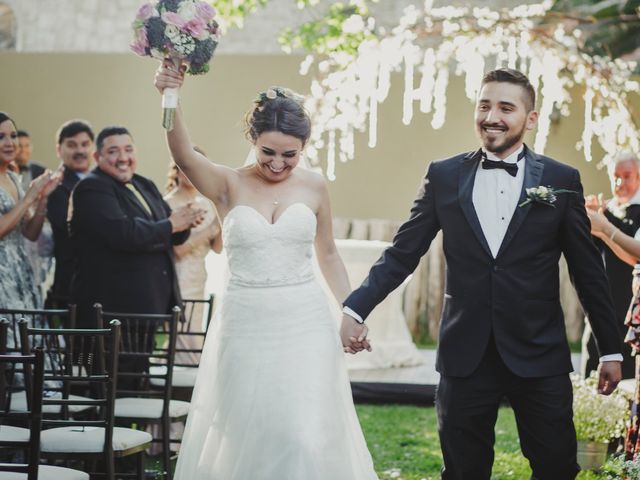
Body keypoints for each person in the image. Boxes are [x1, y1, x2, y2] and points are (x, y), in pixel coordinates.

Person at [340, 68, 622, 480]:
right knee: (463, 470)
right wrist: (356, 308)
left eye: (506, 107)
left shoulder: (562, 181)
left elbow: (586, 271)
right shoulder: (444, 176)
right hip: (464, 354)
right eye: (485, 105)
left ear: (530, 118)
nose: (492, 116)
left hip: (539, 352)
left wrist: (611, 349)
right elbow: (403, 253)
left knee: (557, 466)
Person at [154, 62, 377, 479]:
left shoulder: (314, 185)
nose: (277, 164)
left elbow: (327, 252)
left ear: (305, 146)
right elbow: (182, 153)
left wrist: (352, 312)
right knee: (249, 430)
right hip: (246, 324)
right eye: (268, 152)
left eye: (289, 155)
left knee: (303, 432)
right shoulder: (227, 184)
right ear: (252, 141)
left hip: (305, 320)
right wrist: (169, 95)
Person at [68, 125, 204, 329]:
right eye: (113, 152)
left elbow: (168, 228)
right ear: (97, 157)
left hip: (147, 307)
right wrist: (171, 225)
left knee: (142, 362)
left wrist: (185, 223)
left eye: (128, 150)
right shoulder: (92, 187)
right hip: (111, 310)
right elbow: (123, 233)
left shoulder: (144, 184)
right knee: (97, 361)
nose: (123, 158)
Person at [582, 151, 640, 380]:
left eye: (627, 176)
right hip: (601, 303)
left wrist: (604, 223)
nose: (620, 183)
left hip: (628, 307)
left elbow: (633, 253)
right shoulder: (608, 209)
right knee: (593, 366)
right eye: (616, 176)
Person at [0, 112, 61, 312]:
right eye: (1, 137)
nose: (10, 143)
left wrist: (42, 199)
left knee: (26, 338)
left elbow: (30, 233)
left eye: (13, 136)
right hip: (2, 278)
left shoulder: (12, 178)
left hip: (22, 273)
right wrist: (29, 197)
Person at [164, 154, 222, 364]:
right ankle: (180, 375)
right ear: (177, 170)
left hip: (199, 276)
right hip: (178, 276)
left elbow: (217, 248)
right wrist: (210, 229)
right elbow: (177, 250)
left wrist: (222, 216)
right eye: (186, 167)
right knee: (182, 333)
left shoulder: (206, 204)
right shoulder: (168, 204)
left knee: (194, 328)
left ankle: (184, 373)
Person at [46, 120, 95, 307]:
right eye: (72, 145)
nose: (80, 151)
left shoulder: (102, 181)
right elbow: (67, 230)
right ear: (59, 150)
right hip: (73, 285)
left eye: (85, 144)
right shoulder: (56, 187)